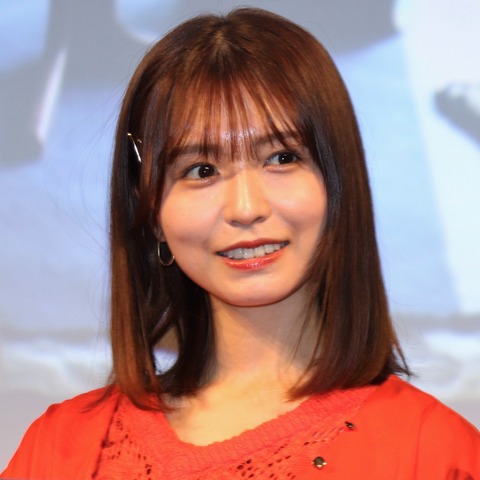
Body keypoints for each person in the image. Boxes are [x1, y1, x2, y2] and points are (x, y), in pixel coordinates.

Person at [2, 7, 479, 479]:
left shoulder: (436, 455)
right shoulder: (61, 447)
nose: (246, 207)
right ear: (152, 213)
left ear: (339, 185)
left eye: (281, 158)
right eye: (201, 170)